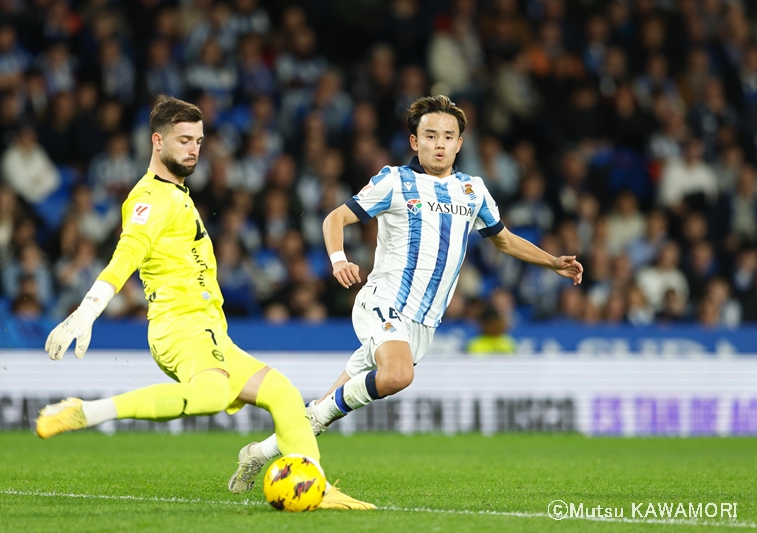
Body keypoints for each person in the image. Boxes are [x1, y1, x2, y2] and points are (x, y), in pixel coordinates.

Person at [228, 95, 583, 492]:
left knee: (327, 408)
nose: (440, 143)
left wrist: (552, 262)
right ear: (415, 141)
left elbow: (504, 240)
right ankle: (312, 420)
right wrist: (338, 259)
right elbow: (335, 218)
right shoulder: (395, 181)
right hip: (383, 301)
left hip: (422, 325)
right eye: (430, 135)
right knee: (398, 374)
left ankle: (258, 453)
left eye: (448, 136)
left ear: (460, 143)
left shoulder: (473, 190)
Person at [35, 95, 374, 510]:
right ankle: (87, 412)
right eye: (183, 140)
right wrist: (87, 310)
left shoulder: (175, 193)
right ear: (157, 142)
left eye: (198, 140)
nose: (194, 148)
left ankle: (314, 486)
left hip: (210, 330)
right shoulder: (152, 199)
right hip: (180, 326)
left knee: (284, 395)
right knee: (212, 395)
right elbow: (127, 254)